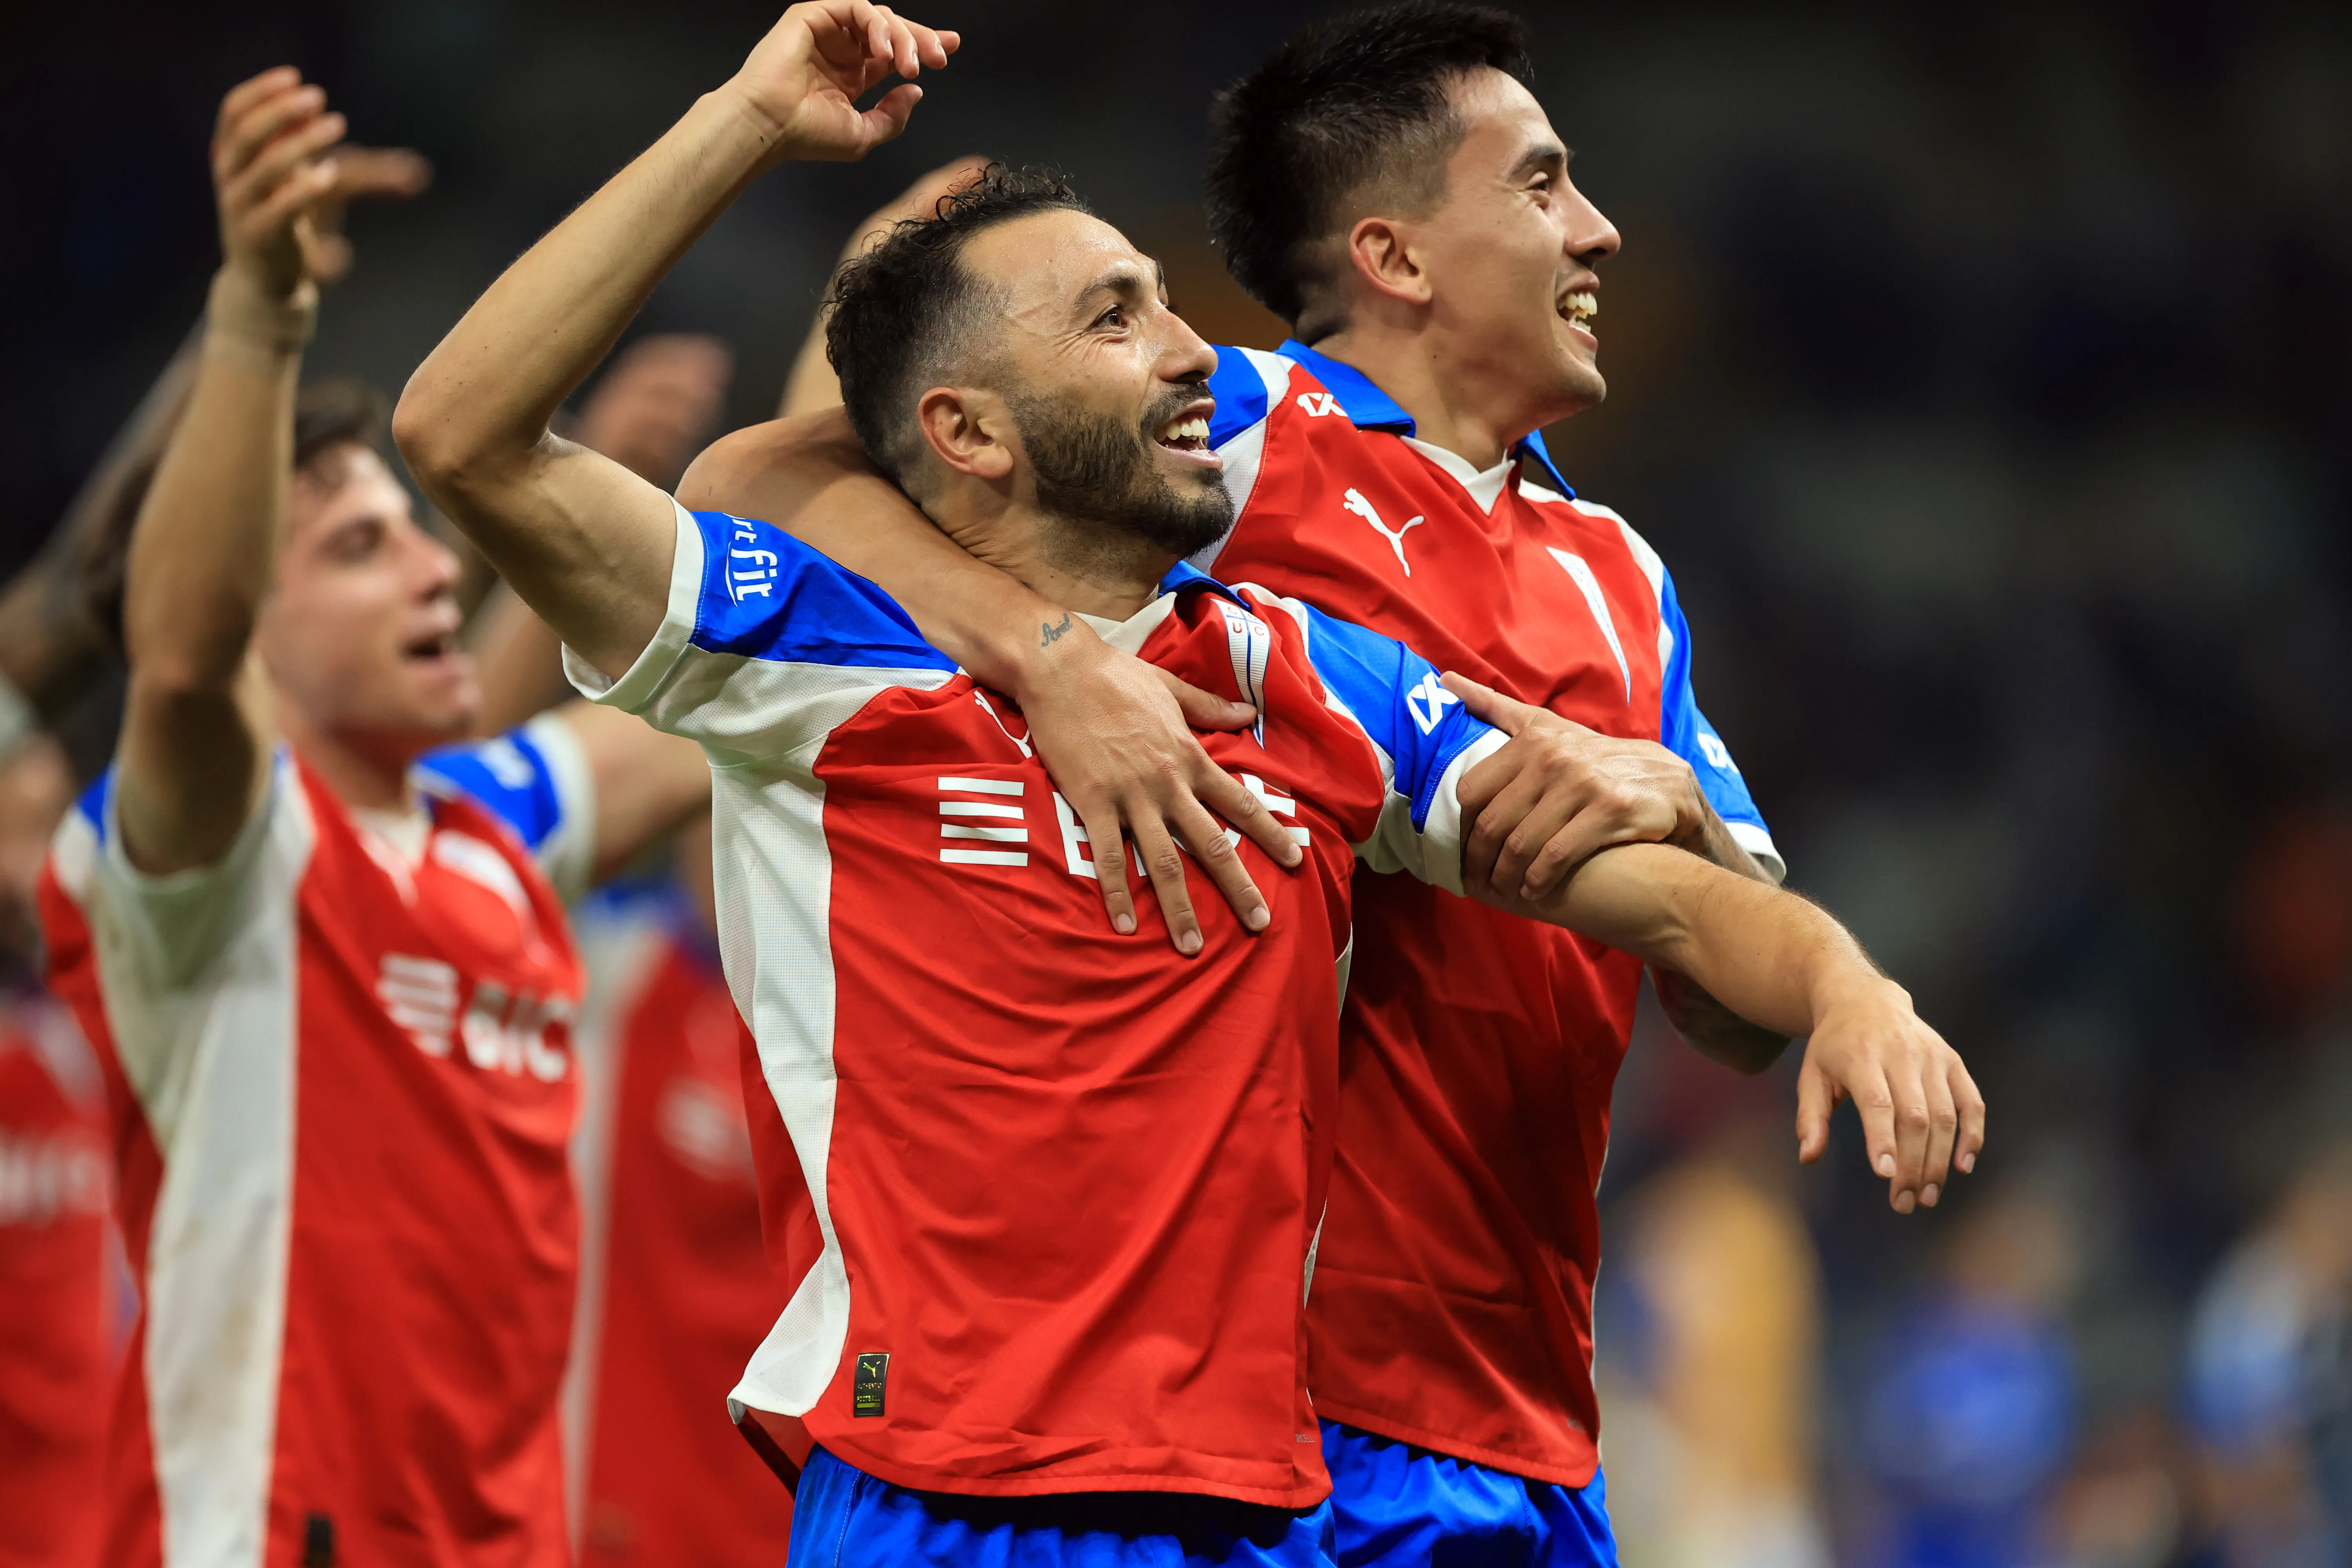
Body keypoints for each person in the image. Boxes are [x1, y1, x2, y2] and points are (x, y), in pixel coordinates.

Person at [391, 7, 1977, 1563]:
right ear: (1395, 256)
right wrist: (1049, 654)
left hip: (1462, 1429)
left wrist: (1836, 972)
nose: (1604, 232)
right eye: (1544, 182)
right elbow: (746, 471)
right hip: (1207, 1423)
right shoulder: (1240, 441)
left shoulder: (1517, 611)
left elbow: (1707, 951)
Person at [36, 68, 710, 1568]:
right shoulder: (215, 866)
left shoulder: (487, 830)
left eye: (418, 534)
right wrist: (262, 314)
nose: (427, 569)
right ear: (251, 624)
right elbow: (185, 658)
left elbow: (757, 699)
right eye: (358, 546)